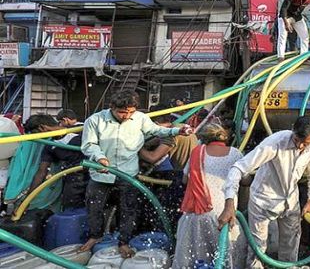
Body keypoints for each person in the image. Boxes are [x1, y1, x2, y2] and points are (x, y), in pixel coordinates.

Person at [79, 90, 193, 258]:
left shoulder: (140, 118)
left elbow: (156, 130)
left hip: (128, 172)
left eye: (130, 112)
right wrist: (100, 157)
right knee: (94, 205)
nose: (126, 116)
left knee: (129, 208)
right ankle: (95, 236)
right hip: (101, 172)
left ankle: (124, 242)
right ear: (112, 107)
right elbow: (89, 144)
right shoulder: (95, 120)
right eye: (122, 112)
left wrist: (177, 131)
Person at [218, 116, 310, 269]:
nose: (300, 146)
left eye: (305, 143)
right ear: (292, 130)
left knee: (291, 245)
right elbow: (238, 168)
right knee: (258, 250)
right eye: (296, 140)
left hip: (290, 201)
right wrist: (229, 203)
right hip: (263, 200)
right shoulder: (275, 143)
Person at [173, 124, 247, 269]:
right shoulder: (235, 153)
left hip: (197, 212)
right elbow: (244, 179)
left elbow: (185, 180)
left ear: (204, 138)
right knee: (223, 255)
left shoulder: (196, 152)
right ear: (224, 136)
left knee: (195, 257)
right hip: (224, 211)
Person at [25, 115, 88, 211]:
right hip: (74, 179)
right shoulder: (49, 147)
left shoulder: (80, 129)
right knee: (70, 209)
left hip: (95, 172)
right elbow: (41, 173)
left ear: (42, 128)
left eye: (36, 134)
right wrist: (26, 201)